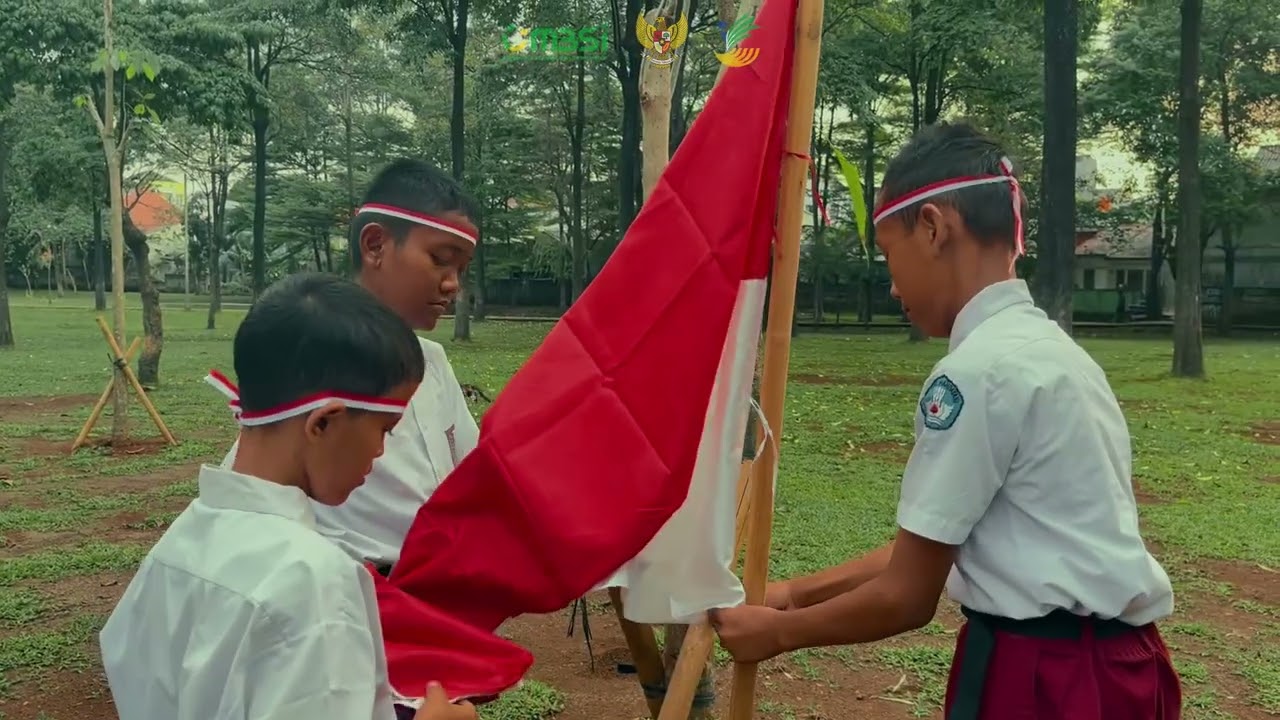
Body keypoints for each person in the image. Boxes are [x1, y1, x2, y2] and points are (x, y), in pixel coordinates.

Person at [708, 122, 1182, 720]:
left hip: (1046, 679)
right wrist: (792, 594)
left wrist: (778, 633)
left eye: (888, 252)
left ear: (933, 227)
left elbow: (906, 596)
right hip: (1120, 668)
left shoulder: (973, 374)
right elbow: (939, 546)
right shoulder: (1053, 352)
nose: (891, 282)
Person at [100, 272, 477, 720]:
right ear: (323, 423)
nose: (380, 453)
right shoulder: (313, 578)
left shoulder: (172, 552)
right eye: (383, 431)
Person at [221, 158, 482, 576]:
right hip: (354, 595)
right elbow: (256, 478)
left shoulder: (433, 363)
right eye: (440, 259)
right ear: (375, 245)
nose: (453, 284)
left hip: (440, 595)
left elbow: (470, 470)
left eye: (461, 270)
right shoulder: (311, 356)